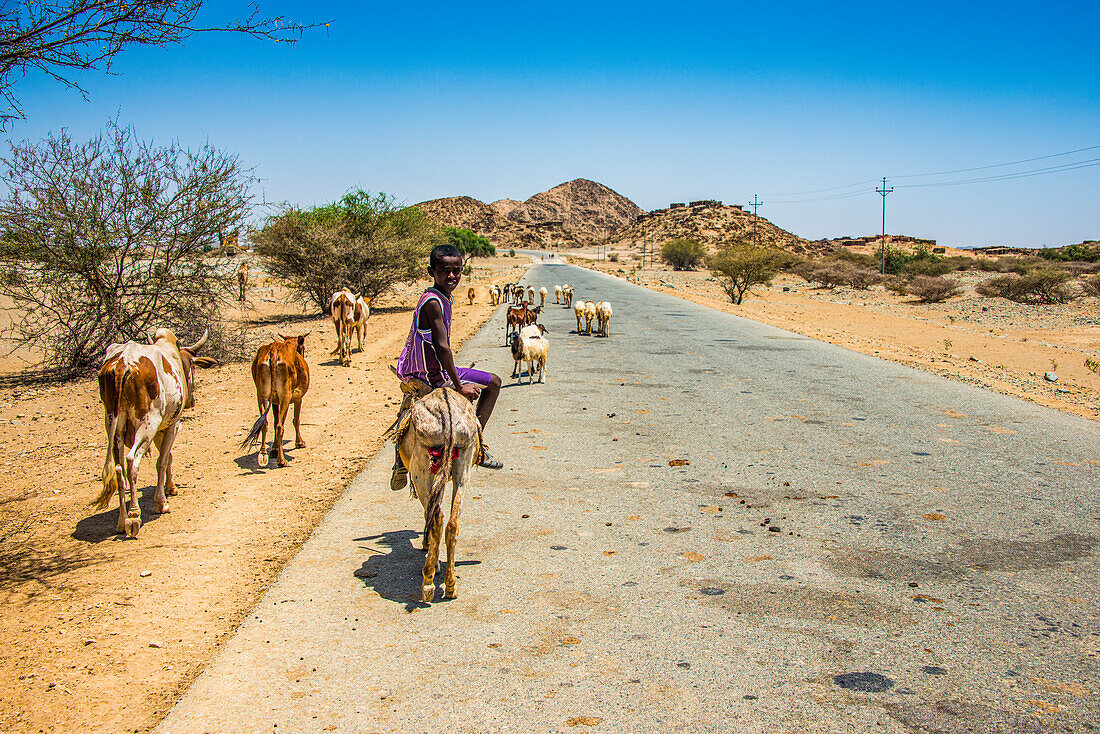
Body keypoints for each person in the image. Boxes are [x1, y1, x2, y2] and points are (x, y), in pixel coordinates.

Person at [392, 244, 503, 491]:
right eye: (444, 270)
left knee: (494, 382)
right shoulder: (433, 302)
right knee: (493, 385)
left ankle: (476, 445)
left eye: (457, 270)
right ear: (432, 271)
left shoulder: (443, 298)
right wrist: (459, 385)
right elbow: (442, 347)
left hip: (436, 367)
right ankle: (476, 448)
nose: (452, 276)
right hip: (427, 372)